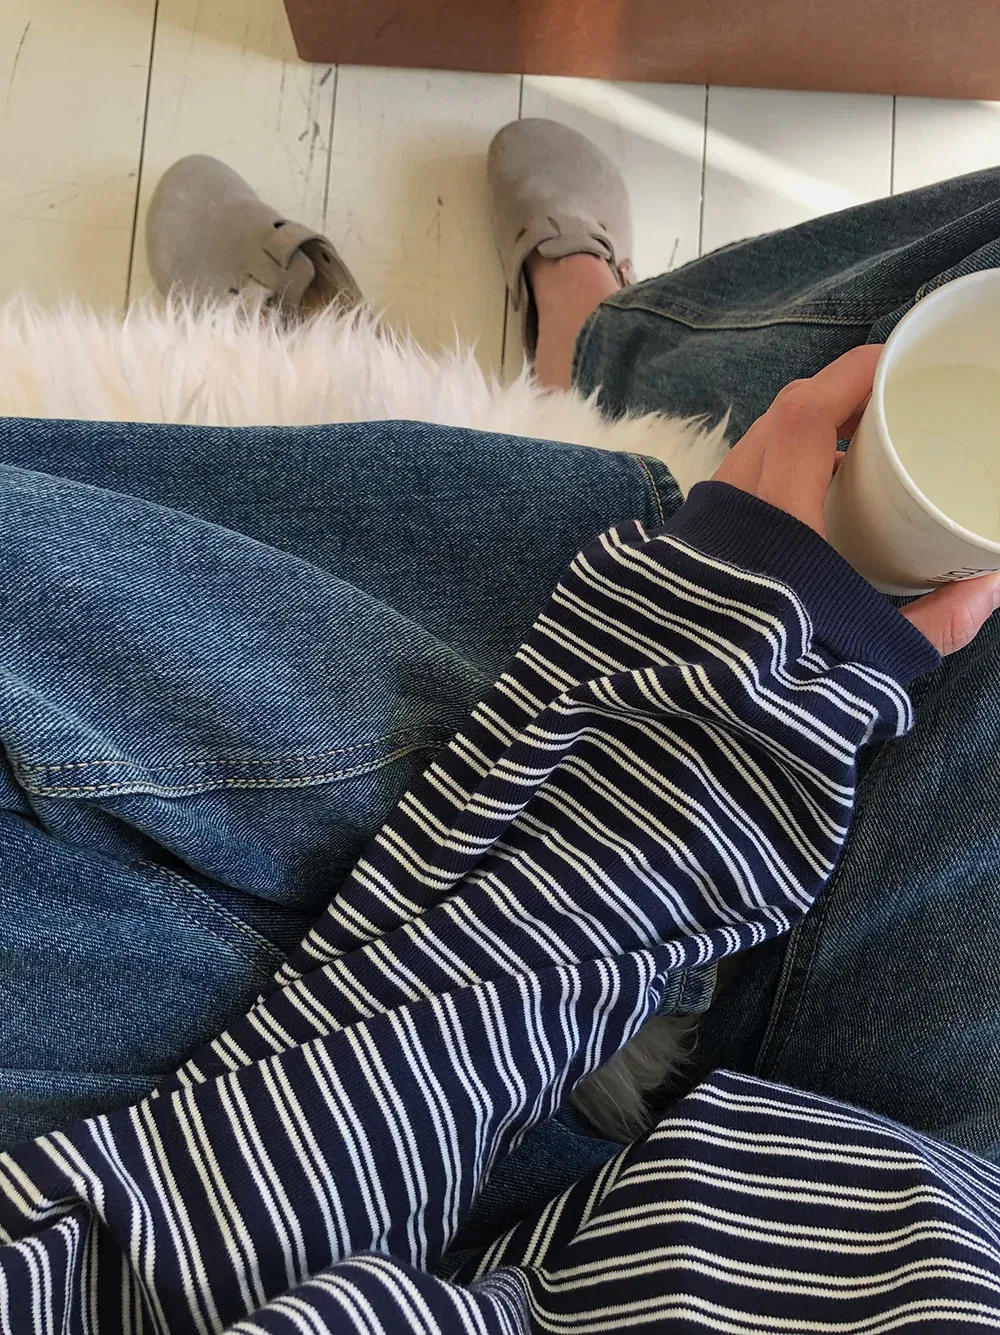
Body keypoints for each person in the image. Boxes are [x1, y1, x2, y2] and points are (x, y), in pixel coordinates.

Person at [4, 119, 1000, 1331]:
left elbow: (180, 1246)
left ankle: (576, 358)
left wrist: (722, 682)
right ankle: (584, 353)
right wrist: (723, 707)